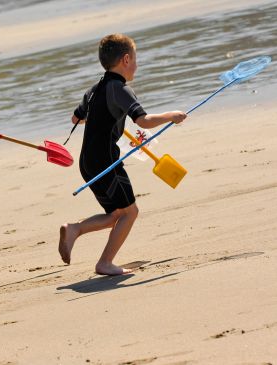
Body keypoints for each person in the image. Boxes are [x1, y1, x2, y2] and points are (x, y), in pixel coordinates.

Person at [58, 34, 187, 275]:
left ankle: (74, 229)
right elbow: (143, 120)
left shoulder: (94, 90)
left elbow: (76, 118)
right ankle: (104, 263)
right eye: (135, 59)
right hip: (106, 162)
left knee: (115, 214)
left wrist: (103, 118)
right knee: (131, 212)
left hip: (88, 162)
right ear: (126, 59)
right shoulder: (120, 89)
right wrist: (171, 115)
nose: (137, 65)